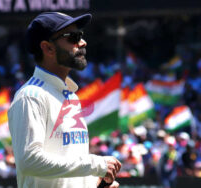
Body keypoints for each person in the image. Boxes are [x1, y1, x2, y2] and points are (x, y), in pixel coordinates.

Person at [8, 12, 121, 188]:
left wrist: (92, 183)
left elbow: (68, 165)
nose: (82, 43)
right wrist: (96, 165)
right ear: (48, 48)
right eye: (73, 37)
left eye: (81, 36)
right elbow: (29, 161)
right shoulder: (30, 96)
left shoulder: (71, 95)